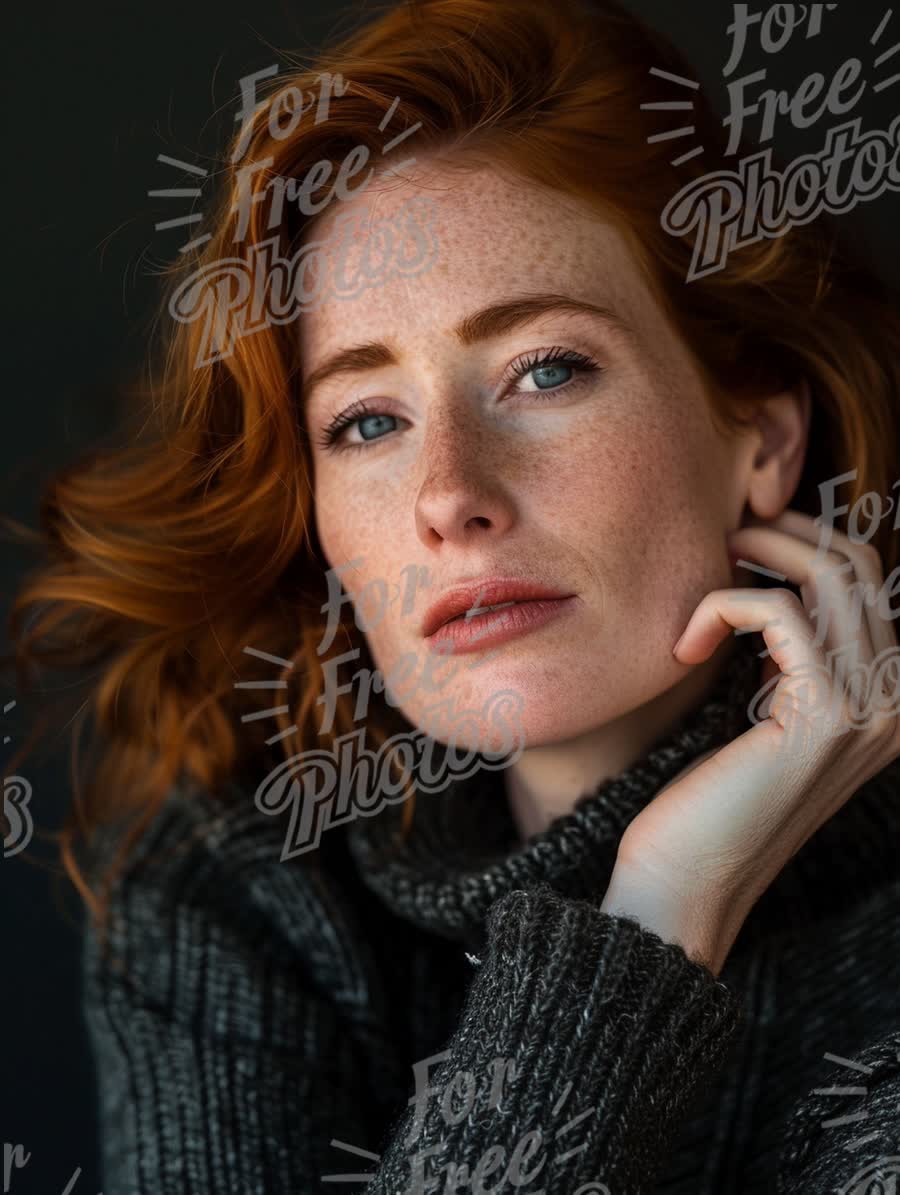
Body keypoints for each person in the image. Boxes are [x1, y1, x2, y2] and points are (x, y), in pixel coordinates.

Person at [6, 0, 900, 1191]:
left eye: (546, 369)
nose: (449, 497)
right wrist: (657, 917)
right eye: (367, 420)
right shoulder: (243, 891)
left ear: (761, 440)